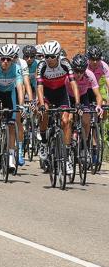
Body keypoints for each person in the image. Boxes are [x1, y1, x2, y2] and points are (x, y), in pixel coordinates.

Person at [36, 40, 79, 174]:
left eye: (52, 56)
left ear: (58, 55)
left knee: (66, 121)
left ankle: (66, 159)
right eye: (46, 56)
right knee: (44, 112)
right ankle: (43, 142)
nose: (49, 59)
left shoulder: (65, 63)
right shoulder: (42, 66)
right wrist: (42, 104)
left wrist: (77, 103)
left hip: (61, 93)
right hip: (47, 94)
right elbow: (39, 86)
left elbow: (73, 83)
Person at [0, 44, 26, 171]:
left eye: (8, 59)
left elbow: (20, 88)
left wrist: (21, 106)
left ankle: (11, 157)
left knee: (11, 125)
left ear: (12, 59)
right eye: (3, 59)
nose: (5, 62)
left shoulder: (16, 68)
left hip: (9, 94)